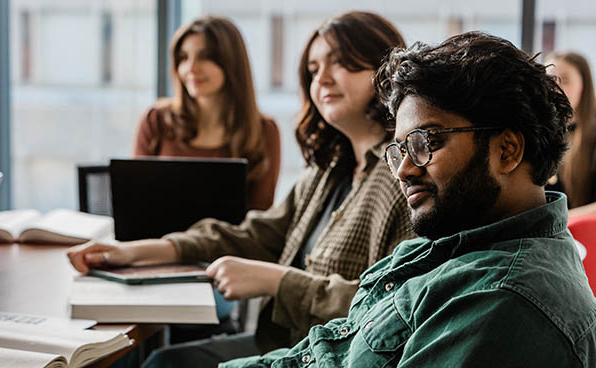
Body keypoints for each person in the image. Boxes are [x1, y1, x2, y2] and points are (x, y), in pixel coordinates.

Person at [222, 32, 596, 368]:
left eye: (426, 143)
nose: (403, 170)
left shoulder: (504, 304)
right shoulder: (451, 245)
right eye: (400, 149)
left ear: (508, 150)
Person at [67, 11, 414, 367]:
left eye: (340, 63)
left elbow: (393, 306)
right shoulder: (328, 170)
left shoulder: (405, 178)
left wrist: (278, 282)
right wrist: (142, 252)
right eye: (313, 69)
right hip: (285, 343)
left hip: (328, 356)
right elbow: (256, 235)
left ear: (385, 71)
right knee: (147, 359)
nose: (322, 78)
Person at [133, 16, 281, 211]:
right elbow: (135, 200)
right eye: (184, 58)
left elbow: (258, 220)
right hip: (154, 239)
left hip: (225, 242)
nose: (191, 68)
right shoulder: (156, 119)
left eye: (204, 57)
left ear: (230, 62)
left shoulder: (263, 130)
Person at [545, 52, 596, 216]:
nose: (556, 88)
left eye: (565, 80)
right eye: (550, 80)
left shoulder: (592, 135)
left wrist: (562, 220)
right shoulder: (543, 132)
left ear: (584, 85)